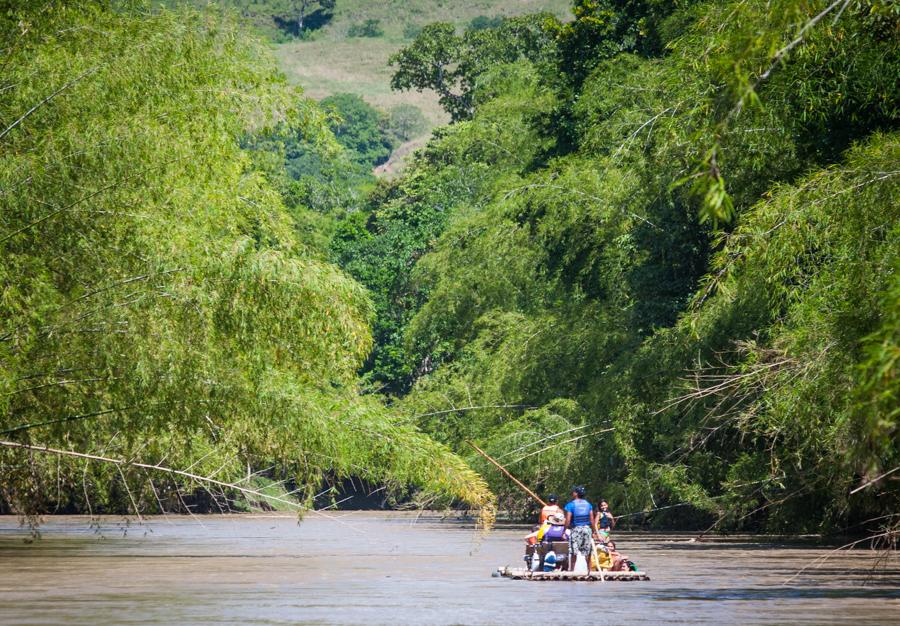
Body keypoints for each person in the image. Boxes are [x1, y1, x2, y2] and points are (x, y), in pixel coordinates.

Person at [564, 485, 595, 571]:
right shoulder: (588, 505)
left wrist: (564, 531)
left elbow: (568, 520)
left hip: (576, 529)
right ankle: (590, 572)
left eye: (573, 492)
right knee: (588, 553)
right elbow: (592, 520)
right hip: (587, 529)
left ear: (576, 494)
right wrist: (594, 532)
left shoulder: (570, 505)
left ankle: (572, 572)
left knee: (574, 553)